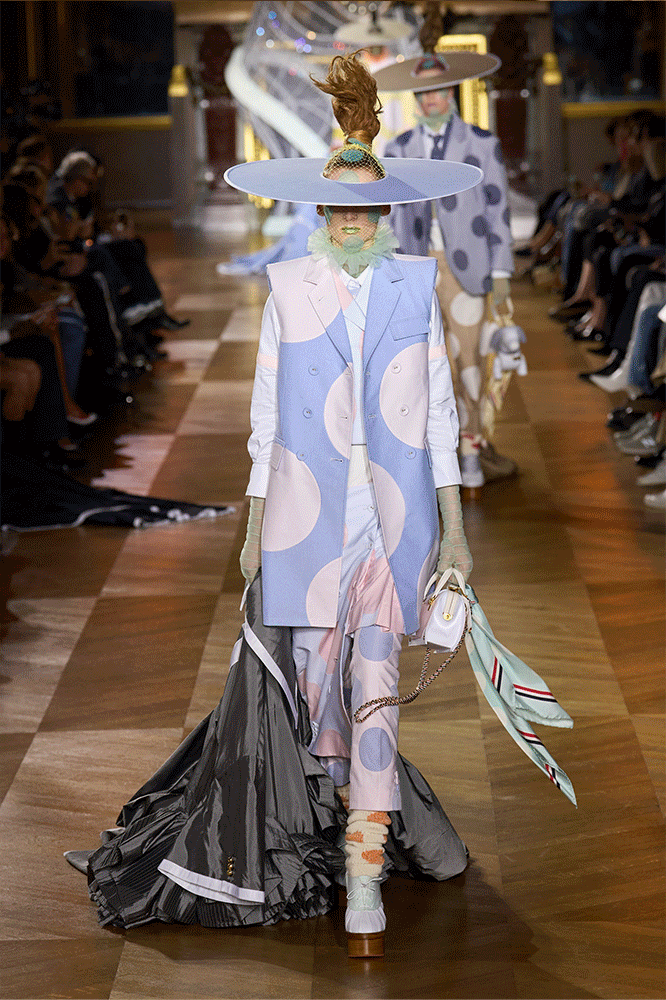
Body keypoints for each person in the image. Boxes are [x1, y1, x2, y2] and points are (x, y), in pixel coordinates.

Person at [237, 53, 479, 957]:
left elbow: (442, 414)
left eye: (366, 207)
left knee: (377, 693)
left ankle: (365, 871)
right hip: (305, 525)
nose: (350, 219)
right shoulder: (285, 291)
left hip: (391, 522)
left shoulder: (416, 284)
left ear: (385, 213)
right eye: (337, 206)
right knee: (321, 708)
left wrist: (455, 533)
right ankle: (349, 816)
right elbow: (267, 418)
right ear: (318, 212)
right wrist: (254, 530)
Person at [373, 7, 515, 488]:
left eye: (438, 90)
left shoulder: (481, 143)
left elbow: (497, 209)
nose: (431, 98)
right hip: (416, 268)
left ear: (452, 92)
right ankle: (438, 455)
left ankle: (471, 453)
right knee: (424, 364)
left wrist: (501, 272)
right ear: (415, 98)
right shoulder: (398, 149)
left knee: (469, 360)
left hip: (467, 268)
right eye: (422, 93)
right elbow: (390, 215)